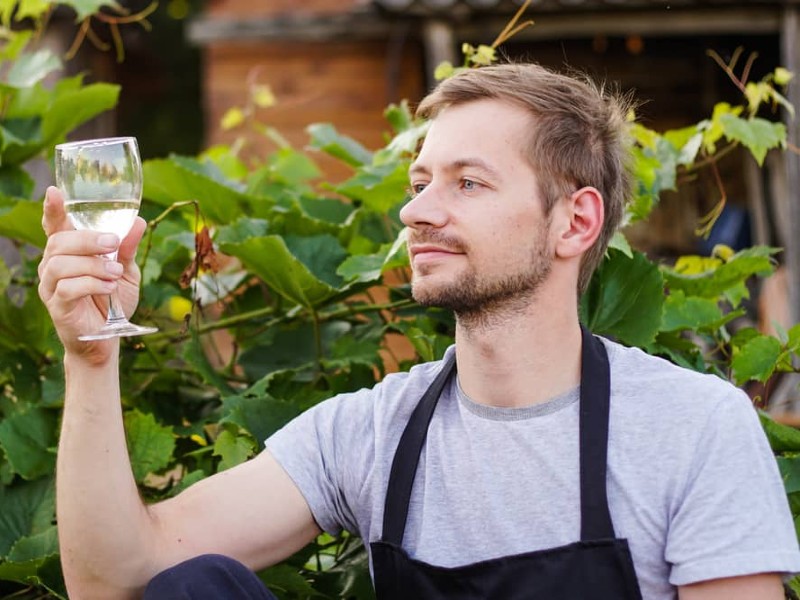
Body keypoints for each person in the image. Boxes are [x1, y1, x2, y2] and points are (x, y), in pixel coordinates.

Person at [38, 63, 800, 600]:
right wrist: (90, 356)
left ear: (576, 221)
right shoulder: (371, 434)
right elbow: (118, 579)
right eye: (418, 183)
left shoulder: (691, 428)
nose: (416, 212)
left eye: (467, 183)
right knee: (194, 586)